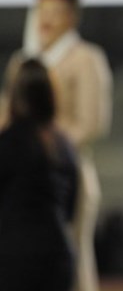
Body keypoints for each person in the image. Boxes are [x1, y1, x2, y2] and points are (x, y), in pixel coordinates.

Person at [0, 0, 112, 291]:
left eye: (57, 11)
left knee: (73, 260)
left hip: (64, 171)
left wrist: (44, 150)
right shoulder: (22, 60)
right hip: (19, 177)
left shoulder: (87, 58)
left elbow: (91, 122)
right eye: (42, 11)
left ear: (73, 16)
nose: (47, 19)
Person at [0, 59, 78, 291]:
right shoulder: (63, 145)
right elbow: (70, 209)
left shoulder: (8, 142)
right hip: (60, 254)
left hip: (14, 257)